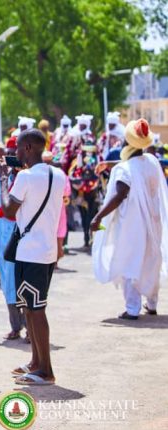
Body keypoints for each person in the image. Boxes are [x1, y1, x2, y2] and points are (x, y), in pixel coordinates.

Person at [0, 128, 66, 386]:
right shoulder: (58, 174)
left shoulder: (25, 177)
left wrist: (4, 180)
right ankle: (36, 362)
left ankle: (46, 370)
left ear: (27, 148)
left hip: (30, 252)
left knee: (35, 311)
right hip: (46, 250)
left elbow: (8, 211)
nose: (15, 152)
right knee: (30, 307)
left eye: (18, 147)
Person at [91, 119, 168, 319]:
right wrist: (109, 164)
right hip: (153, 221)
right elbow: (136, 165)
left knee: (129, 262)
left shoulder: (123, 170)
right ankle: (152, 303)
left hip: (133, 224)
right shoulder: (151, 161)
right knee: (151, 260)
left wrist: (98, 217)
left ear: (127, 143)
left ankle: (132, 308)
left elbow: (120, 195)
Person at [0, 160, 26, 340]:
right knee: (8, 281)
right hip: (3, 234)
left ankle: (31, 327)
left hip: (25, 232)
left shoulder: (31, 177)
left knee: (26, 280)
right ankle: (15, 326)